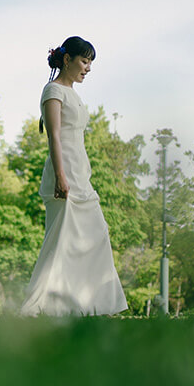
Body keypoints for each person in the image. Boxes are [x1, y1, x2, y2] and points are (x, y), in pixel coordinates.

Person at [19, 36, 128, 317]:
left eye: (91, 62)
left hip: (81, 175)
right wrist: (60, 176)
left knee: (97, 234)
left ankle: (85, 305)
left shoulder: (75, 95)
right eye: (84, 60)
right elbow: (54, 136)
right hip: (63, 176)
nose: (88, 68)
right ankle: (37, 307)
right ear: (66, 59)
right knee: (60, 244)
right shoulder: (53, 91)